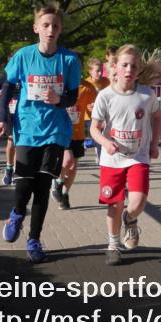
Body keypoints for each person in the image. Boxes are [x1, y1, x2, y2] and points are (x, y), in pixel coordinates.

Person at [0, 5, 81, 264]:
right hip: (27, 129)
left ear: (61, 29)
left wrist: (59, 100)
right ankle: (18, 212)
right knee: (23, 187)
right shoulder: (23, 56)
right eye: (45, 25)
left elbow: (72, 97)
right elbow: (7, 86)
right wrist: (1, 119)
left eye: (55, 25)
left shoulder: (69, 60)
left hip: (56, 131)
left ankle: (34, 239)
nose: (51, 30)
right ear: (36, 28)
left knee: (42, 188)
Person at [89, 44, 161, 266]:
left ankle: (130, 219)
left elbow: (157, 117)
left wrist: (154, 143)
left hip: (137, 156)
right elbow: (94, 128)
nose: (129, 69)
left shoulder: (146, 94)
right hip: (112, 159)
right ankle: (113, 245)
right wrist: (105, 142)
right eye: (124, 65)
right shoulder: (105, 96)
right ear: (115, 67)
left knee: (138, 201)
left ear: (139, 69)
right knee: (114, 204)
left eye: (134, 65)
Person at [52, 57, 104, 210]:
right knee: (68, 162)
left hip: (78, 132)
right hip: (61, 131)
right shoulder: (59, 85)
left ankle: (65, 194)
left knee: (74, 168)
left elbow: (93, 110)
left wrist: (92, 108)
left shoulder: (88, 88)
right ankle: (57, 182)